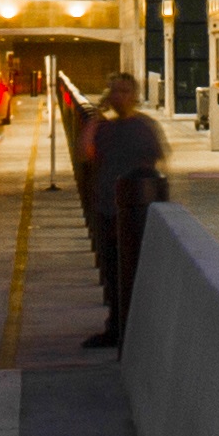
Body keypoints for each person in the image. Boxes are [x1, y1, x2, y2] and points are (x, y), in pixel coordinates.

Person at [74, 74, 170, 349]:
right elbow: (84, 152)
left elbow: (160, 164)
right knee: (114, 275)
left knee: (136, 274)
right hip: (108, 208)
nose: (119, 97)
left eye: (125, 91)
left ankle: (136, 328)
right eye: (114, 91)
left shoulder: (144, 127)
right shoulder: (105, 129)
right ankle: (116, 327)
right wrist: (96, 116)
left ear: (135, 95)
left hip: (138, 214)